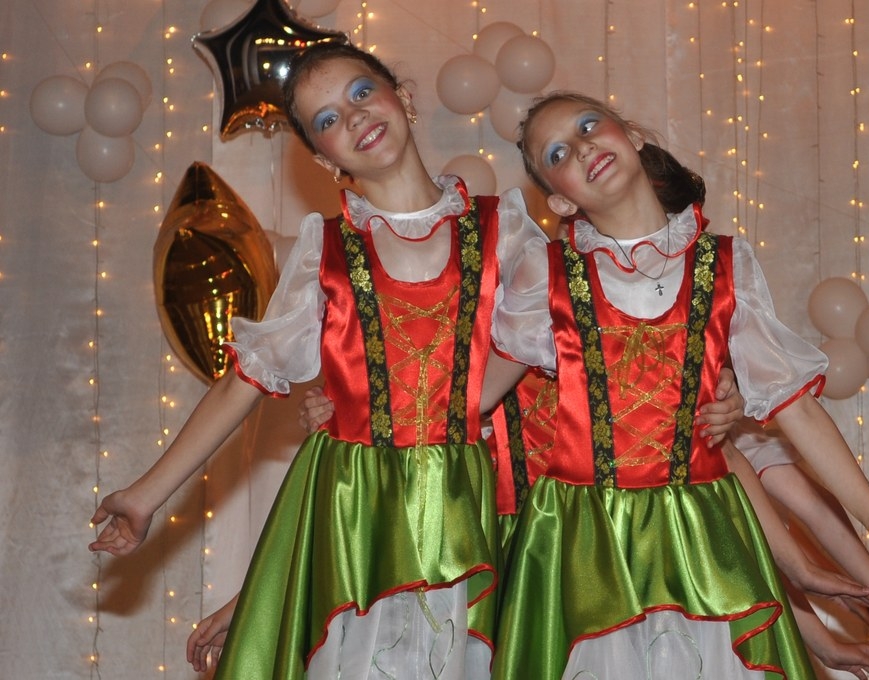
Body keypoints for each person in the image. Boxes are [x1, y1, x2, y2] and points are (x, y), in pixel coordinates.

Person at [483, 91, 869, 679]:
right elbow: (474, 398)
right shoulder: (545, 276)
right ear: (561, 200)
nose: (582, 146)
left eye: (589, 125)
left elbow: (794, 410)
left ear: (633, 135)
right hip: (582, 539)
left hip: (701, 529)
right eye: (558, 153)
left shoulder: (723, 266)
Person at [89, 40, 542, 679]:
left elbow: (551, 345)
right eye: (328, 119)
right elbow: (246, 379)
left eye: (362, 92)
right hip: (357, 511)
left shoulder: (507, 229)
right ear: (324, 158)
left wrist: (441, 414)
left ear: (402, 98)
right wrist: (144, 496)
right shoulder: (325, 251)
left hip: (474, 505)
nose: (354, 117)